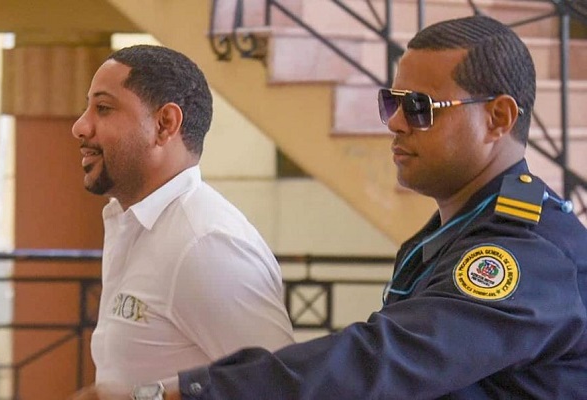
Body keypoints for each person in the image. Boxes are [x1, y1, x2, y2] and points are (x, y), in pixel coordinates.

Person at [70, 15, 587, 400]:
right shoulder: (457, 232)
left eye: (419, 108)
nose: (395, 122)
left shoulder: (526, 254)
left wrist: (171, 394)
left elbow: (380, 361)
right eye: (392, 102)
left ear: (498, 118)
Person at [68, 45, 294, 398]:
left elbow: (279, 389)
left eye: (104, 108)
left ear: (164, 124)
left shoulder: (206, 244)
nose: (80, 126)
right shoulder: (135, 223)